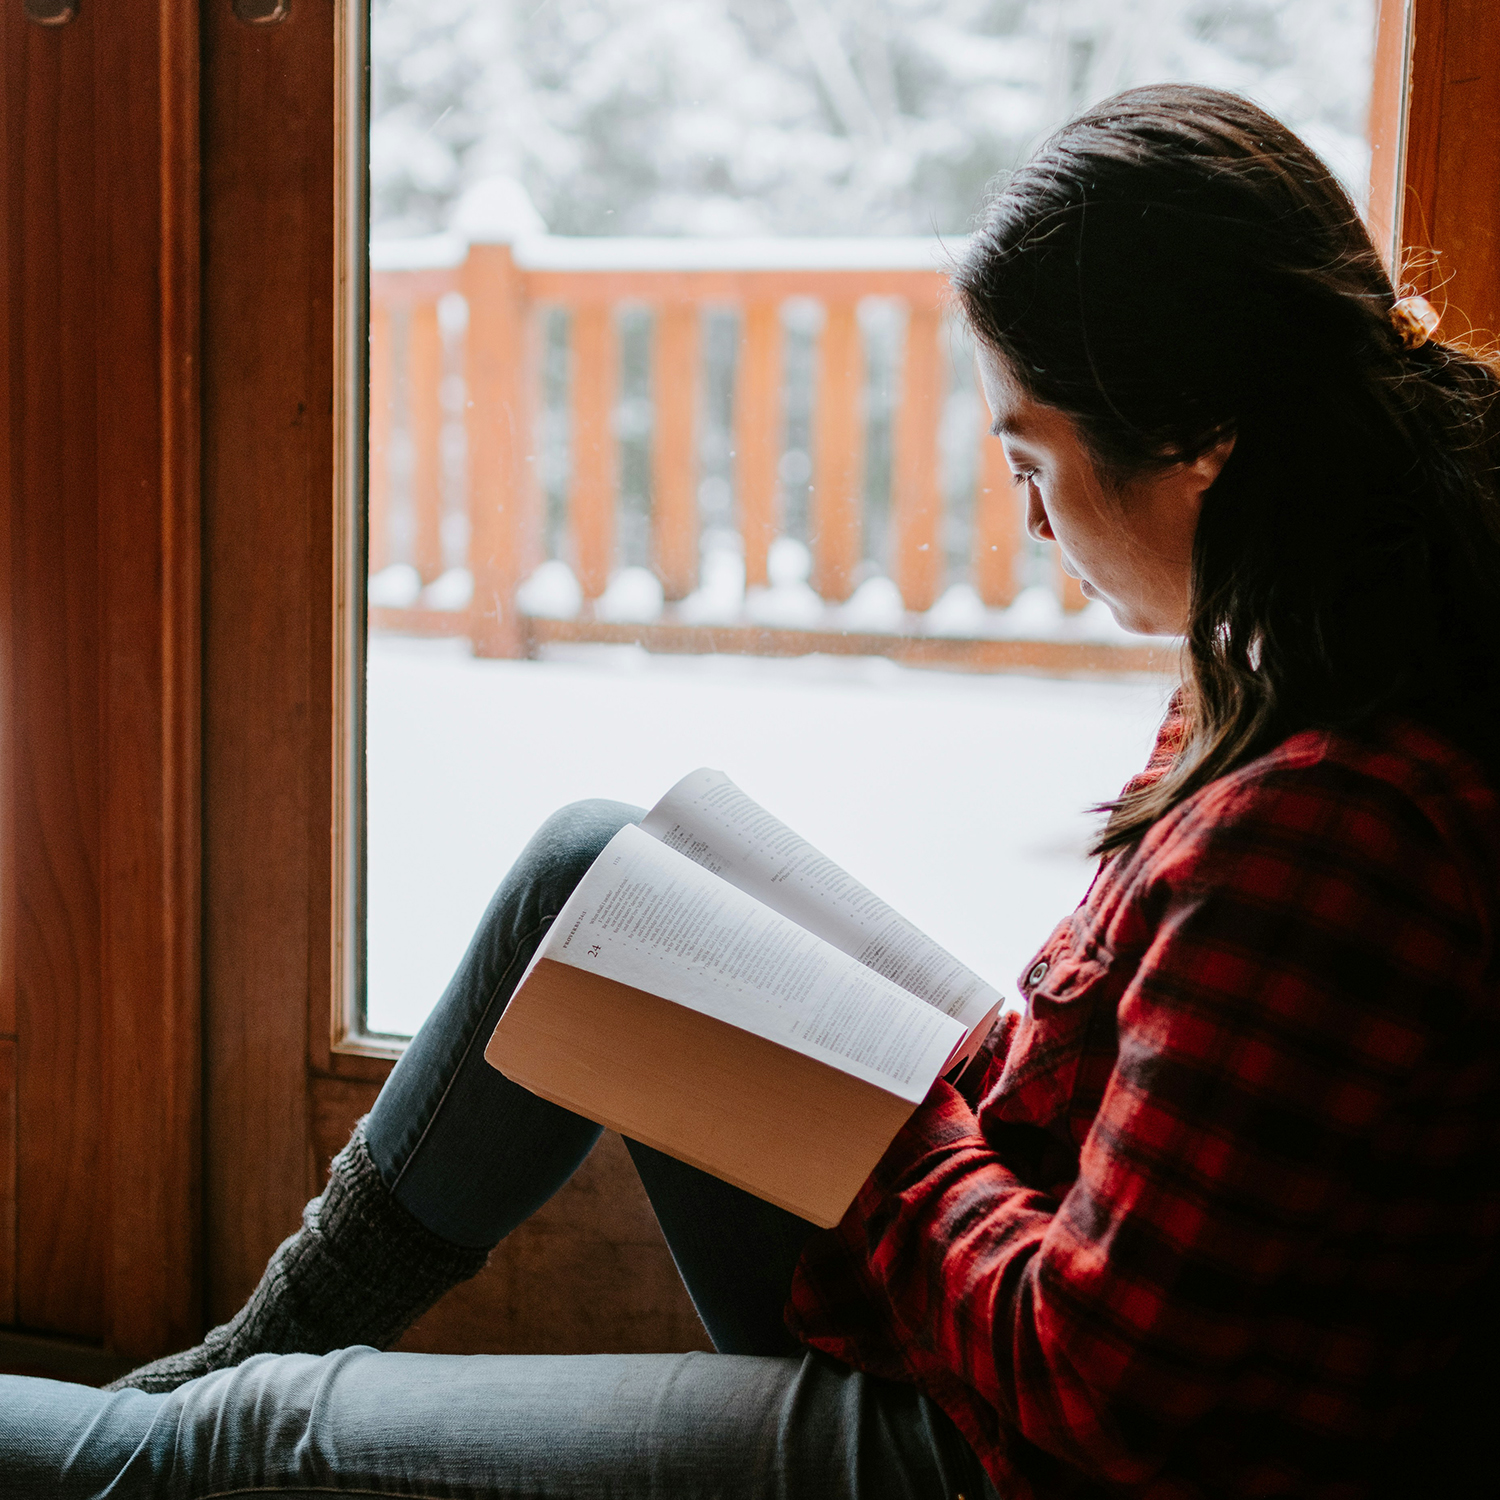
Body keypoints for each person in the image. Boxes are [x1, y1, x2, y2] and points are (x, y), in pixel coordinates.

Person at [5, 83, 1498, 1498]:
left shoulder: (1331, 824)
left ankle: (167, 1441)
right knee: (591, 871)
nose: (1028, 515)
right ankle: (180, 1407)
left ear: (1202, 442)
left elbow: (1100, 1393)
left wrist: (897, 1134)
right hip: (995, 1306)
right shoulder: (1310, 647)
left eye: (1032, 454)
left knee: (267, 1438)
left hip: (1003, 1457)